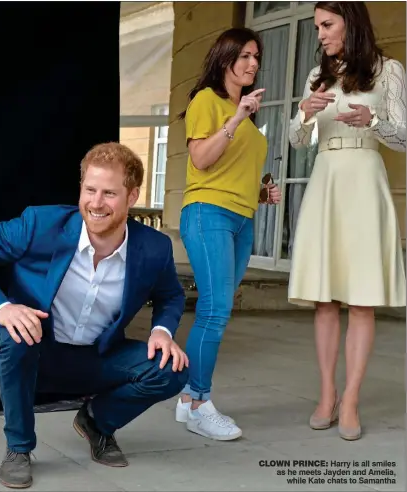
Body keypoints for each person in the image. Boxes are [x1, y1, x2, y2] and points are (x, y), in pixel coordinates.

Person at [0, 142, 189, 489]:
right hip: (37, 353)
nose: (96, 203)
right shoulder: (41, 225)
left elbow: (171, 295)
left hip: (97, 358)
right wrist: (0, 308)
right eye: (90, 190)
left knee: (171, 368)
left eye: (109, 194)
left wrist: (162, 330)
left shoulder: (154, 247)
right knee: (13, 333)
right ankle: (18, 448)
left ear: (132, 197)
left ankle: (97, 423)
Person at [288, 1, 406, 441]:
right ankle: (327, 394)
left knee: (361, 298)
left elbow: (405, 136)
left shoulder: (388, 70)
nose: (319, 33)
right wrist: (304, 112)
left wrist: (372, 120)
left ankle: (352, 398)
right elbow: (299, 142)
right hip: (327, 178)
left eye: (326, 24)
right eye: (317, 25)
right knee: (324, 297)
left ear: (350, 23)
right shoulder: (318, 77)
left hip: (364, 177)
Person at [174, 27, 282, 441]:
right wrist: (236, 117)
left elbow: (230, 167)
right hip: (207, 213)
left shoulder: (249, 119)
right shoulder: (207, 101)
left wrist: (260, 191)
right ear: (225, 58)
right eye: (245, 56)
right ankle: (200, 403)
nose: (253, 63)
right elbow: (201, 159)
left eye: (257, 56)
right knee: (215, 310)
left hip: (241, 218)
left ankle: (187, 400)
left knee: (219, 310)